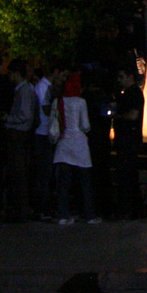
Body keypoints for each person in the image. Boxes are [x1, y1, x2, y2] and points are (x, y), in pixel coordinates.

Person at [51, 73, 99, 224]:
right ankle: (88, 214)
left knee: (64, 183)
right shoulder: (80, 102)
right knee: (85, 181)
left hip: (63, 143)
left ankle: (63, 215)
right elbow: (85, 125)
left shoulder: (57, 101)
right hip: (79, 144)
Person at [1, 60, 36, 223]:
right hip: (18, 133)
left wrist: (10, 119)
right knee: (17, 174)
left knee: (18, 174)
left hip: (19, 134)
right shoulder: (23, 90)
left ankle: (20, 210)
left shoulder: (25, 90)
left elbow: (26, 115)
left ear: (16, 74)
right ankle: (18, 209)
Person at [111, 67, 145, 220]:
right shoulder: (126, 94)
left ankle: (129, 209)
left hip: (129, 139)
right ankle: (134, 208)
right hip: (125, 139)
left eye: (121, 76)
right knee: (128, 174)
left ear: (130, 76)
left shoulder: (135, 93)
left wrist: (117, 115)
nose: (119, 80)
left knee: (127, 174)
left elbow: (133, 115)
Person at [29, 65, 56, 220]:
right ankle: (41, 208)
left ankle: (43, 206)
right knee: (43, 173)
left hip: (46, 132)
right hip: (42, 132)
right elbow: (45, 109)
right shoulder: (42, 87)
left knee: (46, 173)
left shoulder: (47, 87)